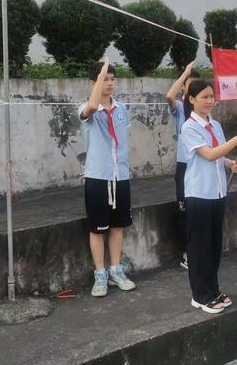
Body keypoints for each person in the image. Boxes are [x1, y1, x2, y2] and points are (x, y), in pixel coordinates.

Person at [181, 80, 237, 313]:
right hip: (199, 194)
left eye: (212, 96)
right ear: (192, 100)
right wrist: (236, 140)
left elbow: (219, 155)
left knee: (213, 246)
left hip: (218, 192)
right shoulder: (189, 127)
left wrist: (231, 163)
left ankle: (213, 290)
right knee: (199, 247)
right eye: (204, 96)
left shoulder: (216, 125)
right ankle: (200, 295)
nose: (210, 101)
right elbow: (209, 154)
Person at [78, 58, 136, 297]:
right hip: (98, 177)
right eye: (104, 79)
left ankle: (115, 270)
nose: (109, 83)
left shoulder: (121, 109)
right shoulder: (86, 108)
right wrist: (100, 74)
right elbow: (90, 109)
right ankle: (100, 275)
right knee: (97, 228)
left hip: (120, 175)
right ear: (94, 82)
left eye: (112, 79)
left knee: (117, 226)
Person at [166, 61, 201, 269]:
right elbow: (169, 96)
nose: (194, 89)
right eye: (190, 84)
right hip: (184, 167)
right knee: (185, 210)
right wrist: (185, 72)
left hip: (201, 166)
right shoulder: (179, 109)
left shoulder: (204, 112)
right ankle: (187, 253)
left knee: (199, 209)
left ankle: (199, 250)